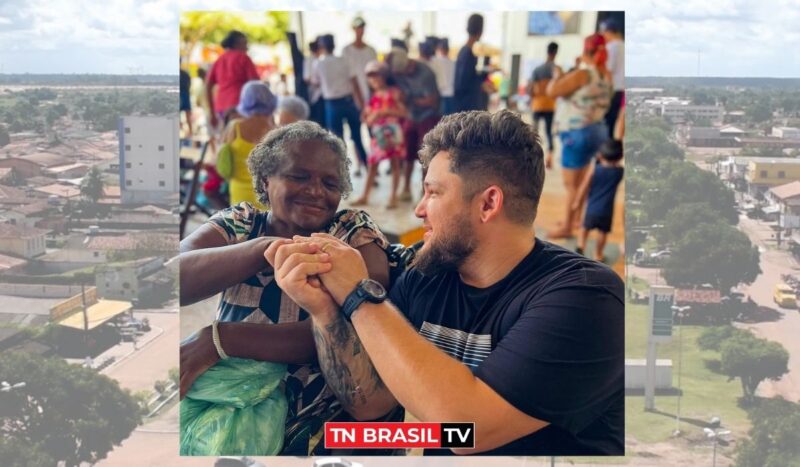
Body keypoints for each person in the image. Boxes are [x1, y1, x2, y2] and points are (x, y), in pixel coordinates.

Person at [265, 110, 624, 455]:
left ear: (488, 203)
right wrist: (325, 311)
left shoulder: (586, 299)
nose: (419, 209)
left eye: (433, 192)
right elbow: (372, 403)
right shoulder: (429, 274)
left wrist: (359, 295)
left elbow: (468, 430)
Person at [179, 120, 397, 455]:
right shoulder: (241, 224)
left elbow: (352, 326)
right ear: (266, 179)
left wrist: (220, 339)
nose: (315, 190)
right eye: (299, 176)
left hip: (324, 426)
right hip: (235, 417)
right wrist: (266, 248)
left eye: (330, 182)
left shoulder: (351, 232)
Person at [546, 33, 612, 239]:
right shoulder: (606, 75)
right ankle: (574, 219)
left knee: (571, 185)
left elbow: (552, 91)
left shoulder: (584, 74)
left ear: (586, 50)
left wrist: (558, 75)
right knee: (582, 182)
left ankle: (567, 226)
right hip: (598, 130)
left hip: (577, 133)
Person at [351, 61, 408, 209]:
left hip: (392, 134)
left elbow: (403, 112)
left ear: (384, 77)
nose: (374, 81)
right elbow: (367, 117)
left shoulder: (394, 93)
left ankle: (393, 196)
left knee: (395, 164)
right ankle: (365, 195)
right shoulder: (374, 96)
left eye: (377, 77)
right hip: (379, 135)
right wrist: (368, 117)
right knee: (372, 165)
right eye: (371, 78)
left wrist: (384, 112)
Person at [387, 46, 440, 201]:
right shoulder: (397, 72)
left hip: (429, 116)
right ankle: (406, 188)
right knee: (408, 153)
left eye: (402, 73)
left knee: (425, 155)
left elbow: (432, 101)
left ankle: (424, 191)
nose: (400, 76)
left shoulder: (426, 74)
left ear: (408, 65)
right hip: (411, 116)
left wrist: (408, 100)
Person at [312, 34, 369, 176]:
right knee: (357, 138)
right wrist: (362, 105)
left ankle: (342, 175)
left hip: (332, 105)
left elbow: (315, 82)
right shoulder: (344, 61)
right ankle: (369, 171)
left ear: (321, 47)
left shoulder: (318, 63)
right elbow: (355, 84)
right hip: (349, 102)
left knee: (337, 142)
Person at [223, 80, 276, 209]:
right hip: (267, 193)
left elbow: (222, 156)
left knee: (240, 227)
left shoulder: (234, 127)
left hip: (239, 191)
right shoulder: (276, 131)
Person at [575, 139, 624, 262]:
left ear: (600, 155)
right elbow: (617, 165)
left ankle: (580, 247)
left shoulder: (595, 169)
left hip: (591, 209)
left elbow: (584, 186)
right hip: (607, 210)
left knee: (584, 228)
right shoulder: (619, 172)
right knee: (603, 232)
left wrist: (577, 202)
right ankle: (598, 255)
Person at [205, 30, 260, 130]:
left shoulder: (219, 60)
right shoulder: (244, 58)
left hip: (221, 108)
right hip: (240, 107)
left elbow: (208, 85)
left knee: (227, 140)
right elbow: (255, 84)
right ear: (236, 44)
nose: (247, 47)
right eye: (245, 44)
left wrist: (212, 112)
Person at [528, 42, 562, 169]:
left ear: (547, 51)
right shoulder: (557, 70)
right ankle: (549, 159)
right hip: (550, 105)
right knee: (548, 132)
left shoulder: (537, 70)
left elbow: (530, 89)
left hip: (537, 105)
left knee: (533, 132)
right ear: (556, 52)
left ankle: (532, 158)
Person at [454, 14, 490, 112]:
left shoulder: (464, 52)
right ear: (480, 31)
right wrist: (480, 82)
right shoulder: (466, 53)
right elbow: (463, 83)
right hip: (467, 107)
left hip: (465, 105)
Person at [342, 16, 378, 109]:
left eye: (362, 28)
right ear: (353, 29)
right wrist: (360, 100)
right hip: (352, 96)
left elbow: (374, 74)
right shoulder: (346, 50)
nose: (360, 30)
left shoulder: (371, 50)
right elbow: (351, 76)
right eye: (358, 28)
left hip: (370, 94)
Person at [600, 18, 625, 139]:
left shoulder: (611, 47)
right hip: (622, 89)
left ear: (609, 32)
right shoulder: (624, 46)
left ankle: (606, 152)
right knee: (615, 121)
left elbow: (608, 71)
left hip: (613, 89)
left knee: (607, 123)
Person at [303, 39, 326, 127]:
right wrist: (318, 82)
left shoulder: (321, 60)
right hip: (316, 96)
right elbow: (307, 78)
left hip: (323, 93)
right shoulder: (310, 60)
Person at [430, 38, 456, 115]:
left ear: (439, 49)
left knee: (441, 120)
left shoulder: (435, 60)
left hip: (441, 94)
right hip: (452, 94)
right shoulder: (453, 62)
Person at [180, 66, 193, 138]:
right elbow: (189, 84)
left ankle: (184, 130)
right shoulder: (185, 74)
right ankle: (190, 132)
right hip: (185, 94)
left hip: (181, 94)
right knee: (188, 114)